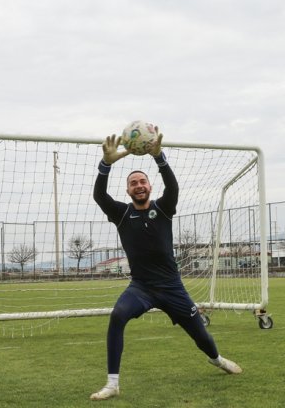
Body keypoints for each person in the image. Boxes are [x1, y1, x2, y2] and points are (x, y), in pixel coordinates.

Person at [90, 129, 242, 401]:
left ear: (149, 187)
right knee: (117, 316)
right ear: (127, 190)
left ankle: (217, 359)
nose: (138, 185)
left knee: (202, 337)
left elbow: (173, 187)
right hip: (141, 288)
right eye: (133, 183)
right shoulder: (121, 214)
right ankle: (112, 384)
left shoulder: (163, 208)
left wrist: (159, 158)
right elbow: (100, 196)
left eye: (142, 182)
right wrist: (106, 164)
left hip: (172, 288)